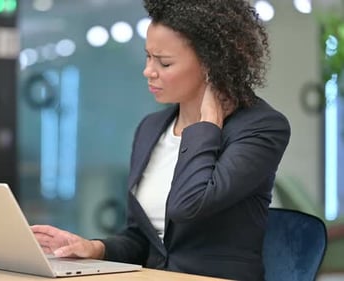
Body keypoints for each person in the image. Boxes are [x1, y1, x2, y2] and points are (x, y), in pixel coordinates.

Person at [31, 0, 291, 280]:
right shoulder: (151, 128)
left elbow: (188, 205)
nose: (148, 71)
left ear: (211, 64)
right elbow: (143, 240)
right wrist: (94, 248)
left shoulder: (261, 128)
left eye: (164, 62)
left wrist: (206, 125)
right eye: (147, 57)